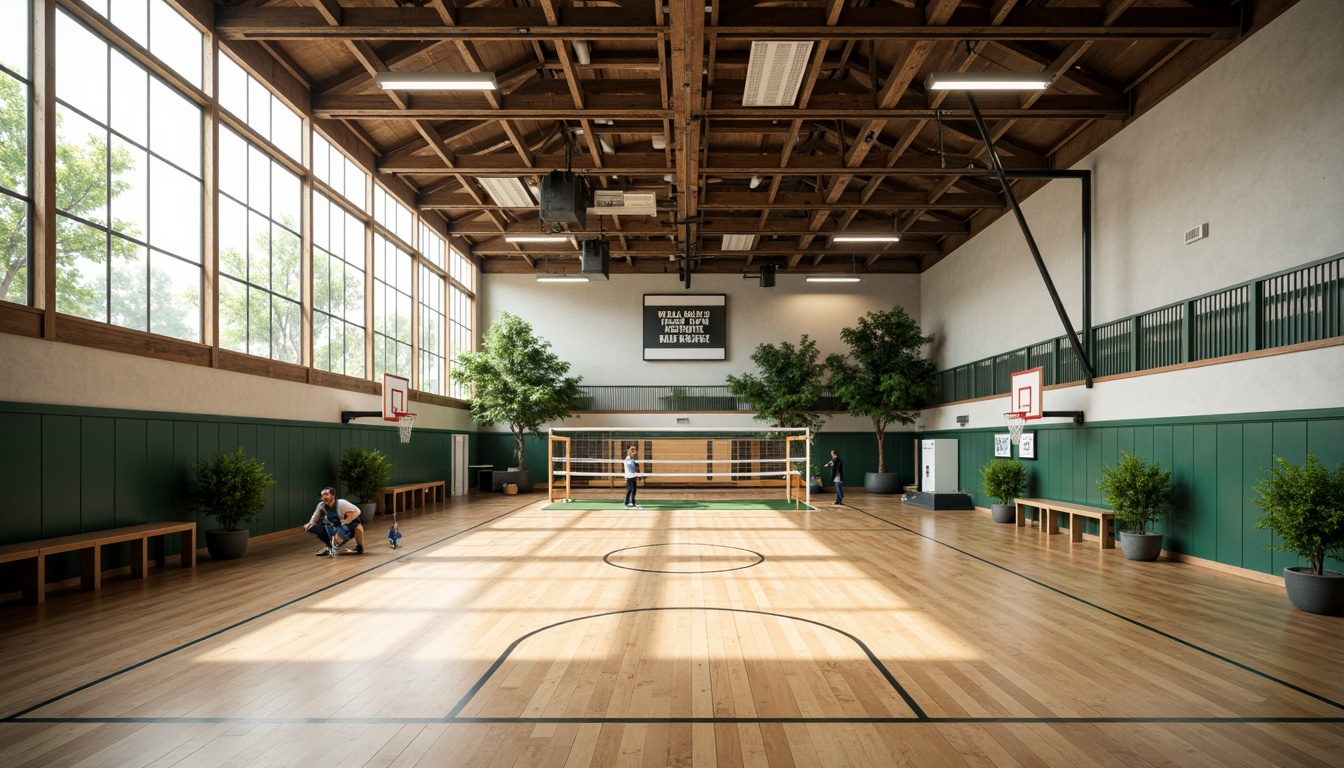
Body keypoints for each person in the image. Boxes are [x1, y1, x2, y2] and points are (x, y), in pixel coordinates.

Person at [303, 487, 366, 555]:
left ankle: (359, 547)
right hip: (336, 526)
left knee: (357, 529)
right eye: (323, 495)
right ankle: (330, 547)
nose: (324, 497)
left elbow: (358, 511)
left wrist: (346, 521)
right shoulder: (321, 505)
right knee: (316, 525)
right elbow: (314, 519)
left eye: (326, 494)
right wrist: (309, 525)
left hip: (348, 525)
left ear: (333, 495)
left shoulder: (342, 503)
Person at [623, 444, 643, 509]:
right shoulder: (628, 458)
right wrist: (636, 470)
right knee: (630, 489)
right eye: (632, 449)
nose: (634, 450)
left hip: (633, 476)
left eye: (634, 449)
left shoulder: (632, 458)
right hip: (629, 477)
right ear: (628, 451)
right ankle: (627, 503)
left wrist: (637, 466)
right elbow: (631, 468)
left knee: (634, 490)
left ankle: (632, 502)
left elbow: (635, 466)